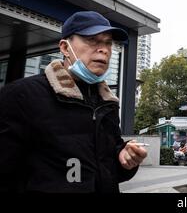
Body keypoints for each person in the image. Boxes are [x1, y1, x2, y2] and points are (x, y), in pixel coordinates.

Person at [0, 11, 147, 193]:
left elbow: (110, 171)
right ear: (64, 47)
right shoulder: (21, 95)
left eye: (108, 42)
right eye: (93, 39)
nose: (104, 49)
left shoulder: (108, 103)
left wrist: (125, 158)